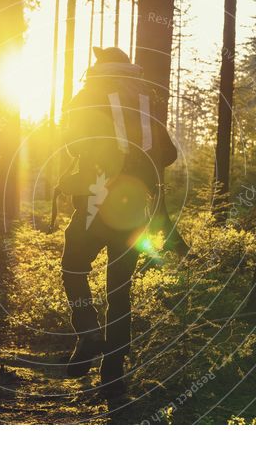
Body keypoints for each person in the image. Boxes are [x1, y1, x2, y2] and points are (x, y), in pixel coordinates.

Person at [58, 47, 177, 396]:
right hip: (137, 207)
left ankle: (88, 332)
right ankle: (113, 376)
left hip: (97, 200)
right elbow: (167, 153)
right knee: (120, 291)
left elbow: (72, 145)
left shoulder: (87, 95)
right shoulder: (146, 98)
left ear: (99, 66)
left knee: (73, 266)